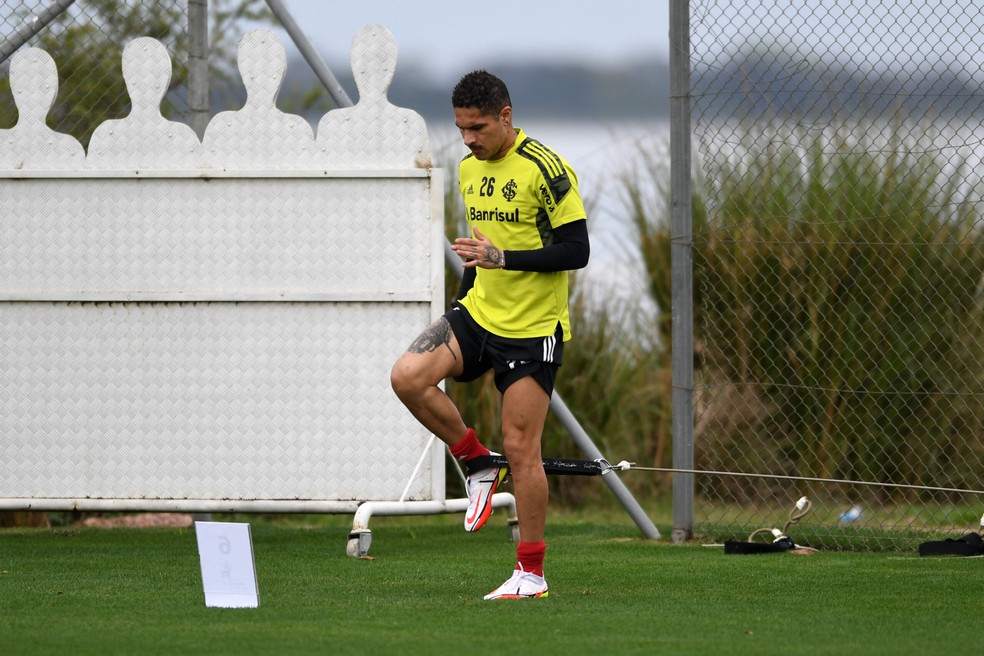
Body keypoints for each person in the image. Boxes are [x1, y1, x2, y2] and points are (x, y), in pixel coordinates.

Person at [390, 69, 589, 600]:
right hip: (477, 313)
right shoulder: (467, 169)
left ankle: (531, 574)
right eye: (460, 129)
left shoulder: (545, 169)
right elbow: (480, 249)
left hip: (532, 331)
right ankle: (476, 462)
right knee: (408, 376)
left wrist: (507, 259)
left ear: (505, 116)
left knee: (522, 448)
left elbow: (578, 251)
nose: (469, 139)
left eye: (478, 127)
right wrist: (463, 299)